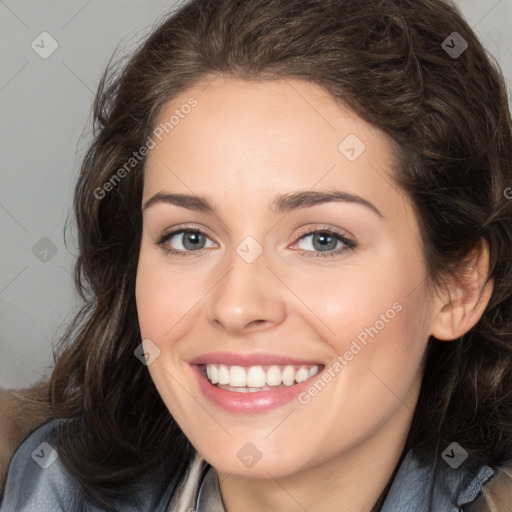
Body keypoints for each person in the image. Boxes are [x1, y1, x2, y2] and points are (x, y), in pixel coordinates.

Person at [1, 0, 512, 510]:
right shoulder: (42, 486)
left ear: (458, 287)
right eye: (190, 238)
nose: (237, 306)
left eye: (321, 240)